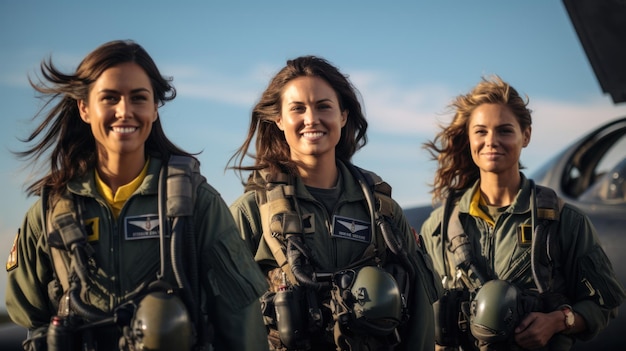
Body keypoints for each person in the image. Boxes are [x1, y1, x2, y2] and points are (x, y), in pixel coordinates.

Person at [5, 40, 269, 351]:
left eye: (139, 98)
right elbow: (32, 320)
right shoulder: (51, 212)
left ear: (154, 109)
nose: (124, 111)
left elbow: (240, 320)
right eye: (110, 98)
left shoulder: (197, 203)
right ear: (85, 109)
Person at [227, 55, 442, 351]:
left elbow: (420, 320)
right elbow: (222, 317)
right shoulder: (252, 213)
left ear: (343, 115)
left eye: (323, 106)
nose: (311, 119)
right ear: (279, 119)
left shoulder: (382, 210)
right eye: (297, 109)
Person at [420, 75, 625, 351]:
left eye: (504, 130)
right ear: (469, 137)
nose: (491, 141)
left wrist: (558, 321)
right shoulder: (439, 227)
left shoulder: (564, 221)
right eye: (480, 131)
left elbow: (605, 301)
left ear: (525, 136)